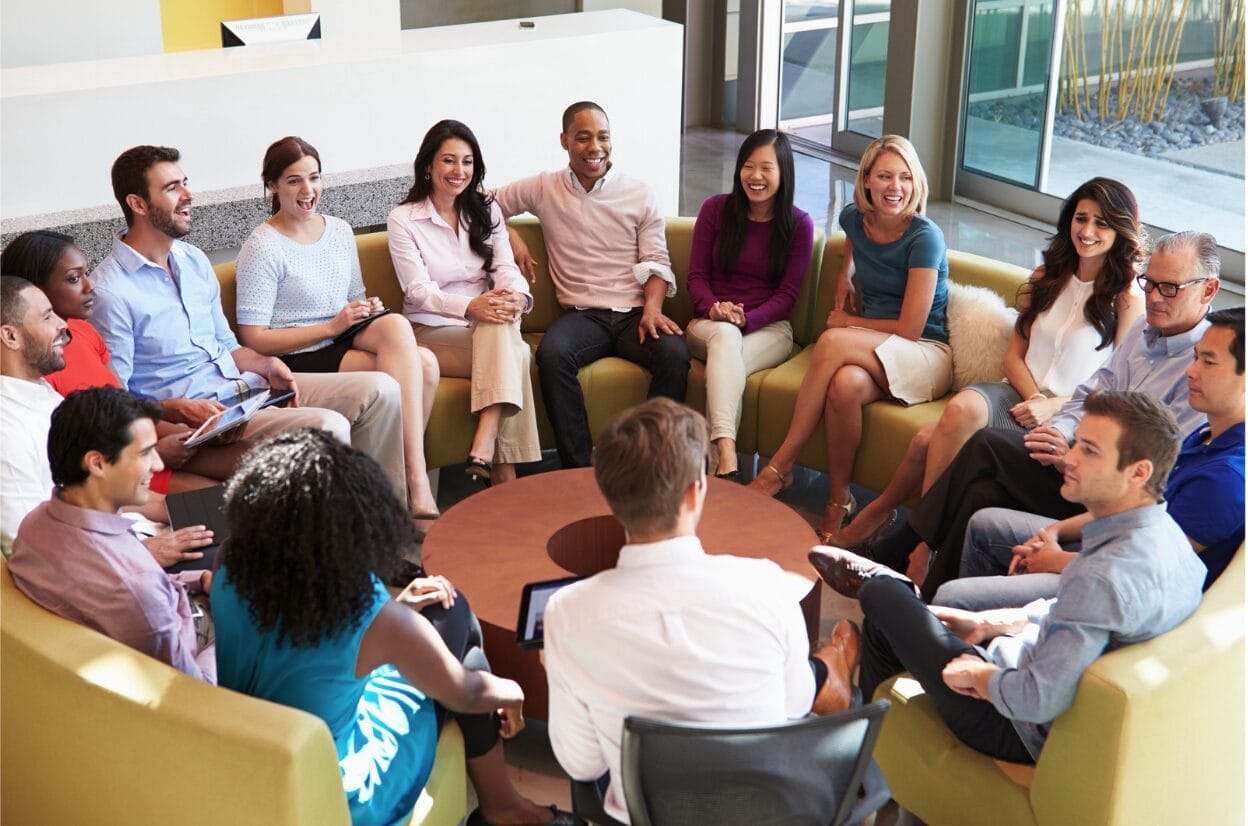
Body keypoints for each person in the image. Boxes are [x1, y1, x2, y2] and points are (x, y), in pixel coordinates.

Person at [810, 390, 1206, 763]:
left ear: (1138, 472)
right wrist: (994, 622)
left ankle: (856, 713)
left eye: (1089, 451)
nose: (1069, 460)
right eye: (1077, 443)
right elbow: (1085, 616)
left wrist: (982, 676)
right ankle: (869, 741)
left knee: (882, 597)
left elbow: (1037, 699)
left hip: (1012, 723)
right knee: (889, 625)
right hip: (1023, 664)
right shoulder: (1164, 535)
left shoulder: (1103, 575)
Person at [211, 429, 572, 826]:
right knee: (460, 630)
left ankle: (504, 808)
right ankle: (506, 809)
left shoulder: (231, 563)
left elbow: (303, 647)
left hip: (253, 756)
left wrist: (396, 614)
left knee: (453, 629)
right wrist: (514, 691)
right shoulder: (370, 615)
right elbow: (467, 693)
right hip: (339, 790)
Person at [543, 398, 862, 825]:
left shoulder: (568, 614)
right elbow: (795, 704)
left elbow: (581, 765)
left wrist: (562, 672)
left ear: (609, 496)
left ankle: (832, 664)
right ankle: (833, 663)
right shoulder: (767, 584)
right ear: (696, 492)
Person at [857, 230, 1221, 600]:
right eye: (1150, 283)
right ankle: (930, 601)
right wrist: (1062, 432)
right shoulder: (1146, 329)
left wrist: (1079, 457)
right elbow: (1096, 390)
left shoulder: (1205, 367)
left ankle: (897, 549)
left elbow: (1155, 469)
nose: (1155, 297)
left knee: (987, 445)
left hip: (1107, 494)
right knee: (981, 491)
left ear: (1208, 290)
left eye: (1170, 288)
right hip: (1079, 456)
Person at [833, 178, 1146, 547]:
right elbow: (1013, 356)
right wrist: (1034, 399)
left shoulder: (1127, 298)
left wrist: (1054, 406)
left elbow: (1119, 385)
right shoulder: (1045, 278)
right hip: (1014, 395)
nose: (1088, 231)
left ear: (1120, 230)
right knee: (962, 407)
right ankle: (916, 543)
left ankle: (909, 538)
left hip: (1071, 414)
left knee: (925, 440)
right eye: (1081, 219)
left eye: (1101, 223)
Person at [88, 145, 410, 503]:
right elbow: (114, 397)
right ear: (138, 204)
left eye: (185, 183)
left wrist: (267, 364)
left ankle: (387, 526)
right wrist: (171, 414)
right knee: (327, 426)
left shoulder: (193, 261)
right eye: (171, 188)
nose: (188, 195)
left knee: (383, 390)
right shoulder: (110, 291)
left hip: (246, 391)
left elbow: (228, 345)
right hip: (204, 423)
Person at [937, 307, 1244, 609]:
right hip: (1110, 543)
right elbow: (1134, 513)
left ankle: (934, 620)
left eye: (1208, 362)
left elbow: (1145, 571)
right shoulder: (1206, 437)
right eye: (1195, 358)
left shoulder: (1226, 478)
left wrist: (1056, 560)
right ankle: (929, 623)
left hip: (1119, 591)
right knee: (984, 513)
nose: (1191, 371)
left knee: (954, 596)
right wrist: (1053, 532)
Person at [749, 135, 951, 543]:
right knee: (843, 387)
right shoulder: (854, 220)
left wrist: (846, 323)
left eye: (905, 177)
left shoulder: (925, 237)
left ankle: (780, 465)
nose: (895, 187)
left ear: (916, 184)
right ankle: (839, 501)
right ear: (867, 182)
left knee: (832, 341)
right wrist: (844, 274)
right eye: (885, 176)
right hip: (878, 353)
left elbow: (912, 329)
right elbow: (850, 243)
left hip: (925, 353)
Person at [234, 136, 441, 516]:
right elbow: (253, 338)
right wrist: (330, 327)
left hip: (342, 335)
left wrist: (363, 308)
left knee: (395, 325)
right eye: (294, 180)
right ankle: (407, 489)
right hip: (296, 354)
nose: (308, 190)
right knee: (424, 365)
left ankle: (408, 482)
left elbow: (351, 297)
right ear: (273, 186)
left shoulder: (341, 230)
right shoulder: (262, 246)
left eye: (314, 177)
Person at [495, 101, 691, 469]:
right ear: (564, 141)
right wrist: (509, 233)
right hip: (583, 316)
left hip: (635, 313)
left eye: (602, 137)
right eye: (583, 138)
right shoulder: (544, 187)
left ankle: (648, 459)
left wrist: (652, 309)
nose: (594, 147)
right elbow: (482, 204)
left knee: (675, 355)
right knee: (552, 355)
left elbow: (656, 261)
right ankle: (579, 470)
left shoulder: (639, 193)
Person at [2, 229, 251, 497]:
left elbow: (123, 406)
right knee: (232, 498)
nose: (90, 286)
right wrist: (156, 447)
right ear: (34, 292)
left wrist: (195, 429)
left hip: (150, 448)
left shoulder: (85, 331)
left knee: (265, 462)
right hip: (124, 473)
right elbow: (77, 454)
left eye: (86, 273)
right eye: (74, 278)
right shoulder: (41, 366)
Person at [8, 387, 216, 683]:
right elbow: (197, 690)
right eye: (146, 453)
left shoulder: (35, 525)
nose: (157, 465)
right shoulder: (134, 583)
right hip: (197, 644)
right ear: (97, 463)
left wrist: (198, 580)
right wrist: (234, 622)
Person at [388, 121, 540, 485]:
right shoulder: (404, 220)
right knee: (517, 353)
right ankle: (502, 469)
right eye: (449, 161)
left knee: (500, 325)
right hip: (432, 329)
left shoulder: (486, 208)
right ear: (428, 166)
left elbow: (506, 267)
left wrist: (517, 296)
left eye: (468, 162)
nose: (460, 172)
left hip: (487, 324)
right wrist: (471, 308)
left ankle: (486, 451)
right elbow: (417, 291)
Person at [685, 129, 815, 480]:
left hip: (770, 330)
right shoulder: (715, 210)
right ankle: (727, 451)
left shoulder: (799, 225)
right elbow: (696, 277)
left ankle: (717, 464)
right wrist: (714, 309)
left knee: (727, 361)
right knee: (725, 340)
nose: (755, 176)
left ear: (783, 173)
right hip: (707, 325)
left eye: (766, 168)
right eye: (748, 166)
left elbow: (787, 297)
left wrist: (746, 320)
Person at [1, 275, 71, 540]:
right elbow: (28, 541)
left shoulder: (41, 392)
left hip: (127, 537)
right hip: (106, 566)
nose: (62, 324)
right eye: (47, 317)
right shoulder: (7, 431)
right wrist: (143, 554)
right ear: (10, 336)